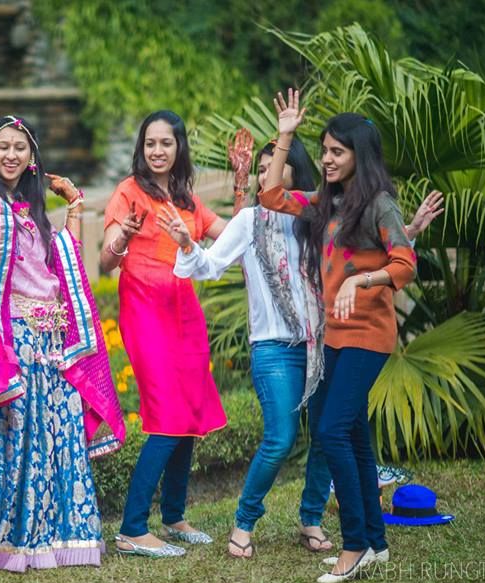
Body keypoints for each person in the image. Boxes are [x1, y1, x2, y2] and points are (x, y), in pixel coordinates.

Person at [159, 130, 442, 559]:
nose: (264, 173)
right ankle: (245, 520)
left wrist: (410, 232)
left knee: (330, 435)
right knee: (281, 437)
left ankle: (311, 519)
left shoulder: (324, 217)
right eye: (260, 167)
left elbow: (371, 256)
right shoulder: (251, 220)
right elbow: (210, 265)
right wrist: (186, 244)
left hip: (325, 340)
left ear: (298, 169)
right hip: (274, 346)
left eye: (275, 164)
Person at [0, 115, 125, 572]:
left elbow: (62, 262)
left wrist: (74, 204)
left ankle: (60, 534)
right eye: (3, 147)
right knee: (17, 432)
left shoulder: (27, 206)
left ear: (32, 157)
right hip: (14, 337)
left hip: (53, 338)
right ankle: (7, 538)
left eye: (21, 148)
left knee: (58, 432)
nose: (11, 155)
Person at [259, 89, 421, 583]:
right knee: (351, 433)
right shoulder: (324, 203)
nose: (327, 159)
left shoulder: (379, 205)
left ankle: (353, 544)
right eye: (324, 150)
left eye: (337, 152)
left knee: (330, 430)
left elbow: (405, 263)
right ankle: (374, 541)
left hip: (369, 335)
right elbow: (269, 195)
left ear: (359, 156)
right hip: (334, 335)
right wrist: (285, 137)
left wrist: (359, 279)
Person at [101, 110, 228, 558]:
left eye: (166, 143)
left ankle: (173, 515)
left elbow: (229, 239)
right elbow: (105, 262)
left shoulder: (187, 200)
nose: (157, 151)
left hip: (185, 315)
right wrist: (122, 239)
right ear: (142, 148)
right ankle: (133, 527)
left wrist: (247, 190)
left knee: (189, 413)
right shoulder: (128, 193)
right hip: (144, 313)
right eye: (150, 143)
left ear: (178, 149)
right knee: (168, 412)